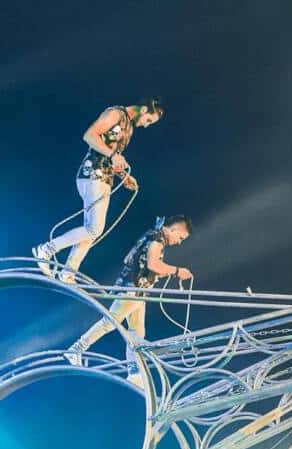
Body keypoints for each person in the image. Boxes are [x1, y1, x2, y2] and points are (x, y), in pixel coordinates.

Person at [32, 98, 164, 283]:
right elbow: (89, 136)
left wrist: (123, 176)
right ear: (143, 110)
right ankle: (46, 249)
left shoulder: (129, 128)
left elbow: (110, 154)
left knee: (90, 230)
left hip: (104, 179)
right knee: (94, 229)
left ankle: (68, 273)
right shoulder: (115, 114)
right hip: (92, 175)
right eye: (148, 120)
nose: (146, 125)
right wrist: (113, 155)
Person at [65, 215, 193, 382]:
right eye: (180, 237)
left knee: (137, 332)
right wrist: (177, 271)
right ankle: (76, 349)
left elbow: (140, 261)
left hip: (138, 290)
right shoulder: (157, 239)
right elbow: (153, 264)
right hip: (133, 289)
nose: (179, 242)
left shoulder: (153, 236)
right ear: (173, 229)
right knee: (111, 322)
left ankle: (134, 373)